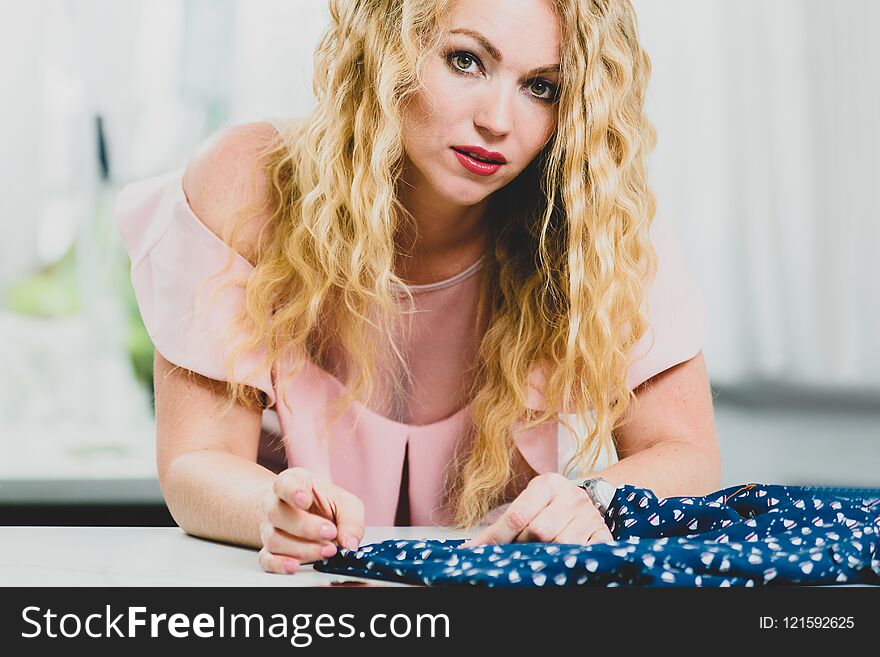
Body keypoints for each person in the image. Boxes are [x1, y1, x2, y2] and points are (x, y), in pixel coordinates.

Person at [115, 0, 719, 576]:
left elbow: (688, 452)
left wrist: (595, 501)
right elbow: (197, 459)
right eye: (465, 61)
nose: (497, 121)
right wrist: (271, 509)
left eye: (542, 88)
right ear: (386, 51)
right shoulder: (247, 184)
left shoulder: (598, 225)